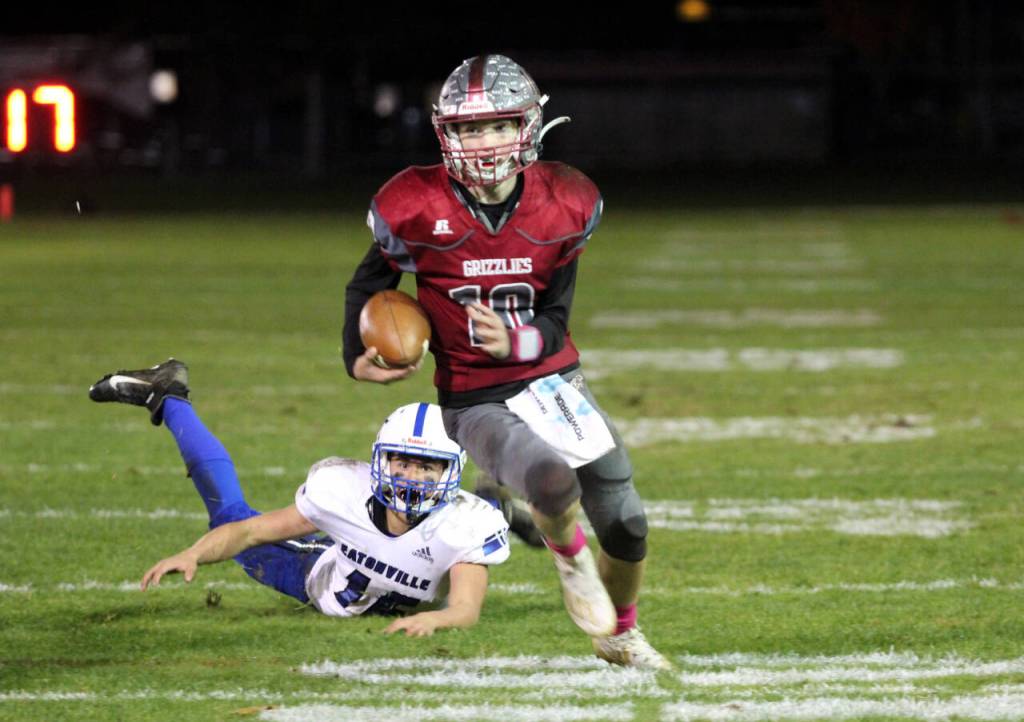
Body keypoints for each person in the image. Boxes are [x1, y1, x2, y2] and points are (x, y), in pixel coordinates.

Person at [341, 54, 669, 668]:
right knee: (552, 481)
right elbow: (368, 285)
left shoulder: (564, 200)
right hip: (474, 396)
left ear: (527, 126)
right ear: (445, 133)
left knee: (625, 522)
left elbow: (555, 318)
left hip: (550, 379)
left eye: (495, 126)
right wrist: (356, 356)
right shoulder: (413, 205)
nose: (481, 141)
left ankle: (620, 636)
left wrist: (516, 343)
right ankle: (569, 560)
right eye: (467, 129)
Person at [87, 359, 510, 636]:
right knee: (228, 516)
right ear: (381, 461)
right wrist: (194, 554)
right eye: (402, 462)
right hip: (314, 570)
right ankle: (168, 395)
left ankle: (499, 490)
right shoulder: (344, 491)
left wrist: (438, 619)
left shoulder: (463, 527)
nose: (411, 477)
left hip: (366, 571)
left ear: (449, 471)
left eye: (426, 467)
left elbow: (466, 609)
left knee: (491, 509)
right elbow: (251, 531)